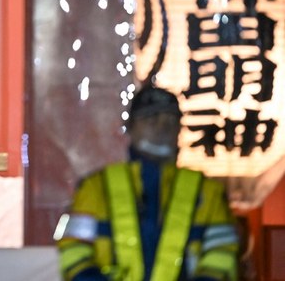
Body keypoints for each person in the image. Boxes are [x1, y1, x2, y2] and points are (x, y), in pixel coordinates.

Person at [57, 86, 239, 281]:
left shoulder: (208, 191)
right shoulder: (94, 187)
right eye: (151, 120)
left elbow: (222, 252)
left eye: (171, 121)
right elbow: (72, 249)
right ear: (131, 127)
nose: (162, 128)